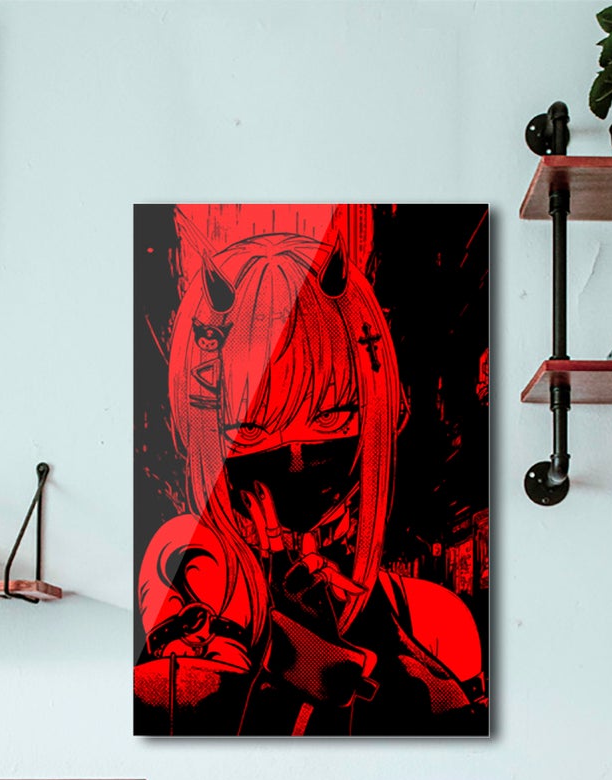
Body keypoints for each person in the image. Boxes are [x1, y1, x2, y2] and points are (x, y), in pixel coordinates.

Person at [135, 219, 486, 736]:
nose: (296, 453)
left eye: (332, 418)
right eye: (248, 428)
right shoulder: (191, 568)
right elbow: (179, 711)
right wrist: (279, 644)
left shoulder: (432, 619)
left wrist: (363, 656)